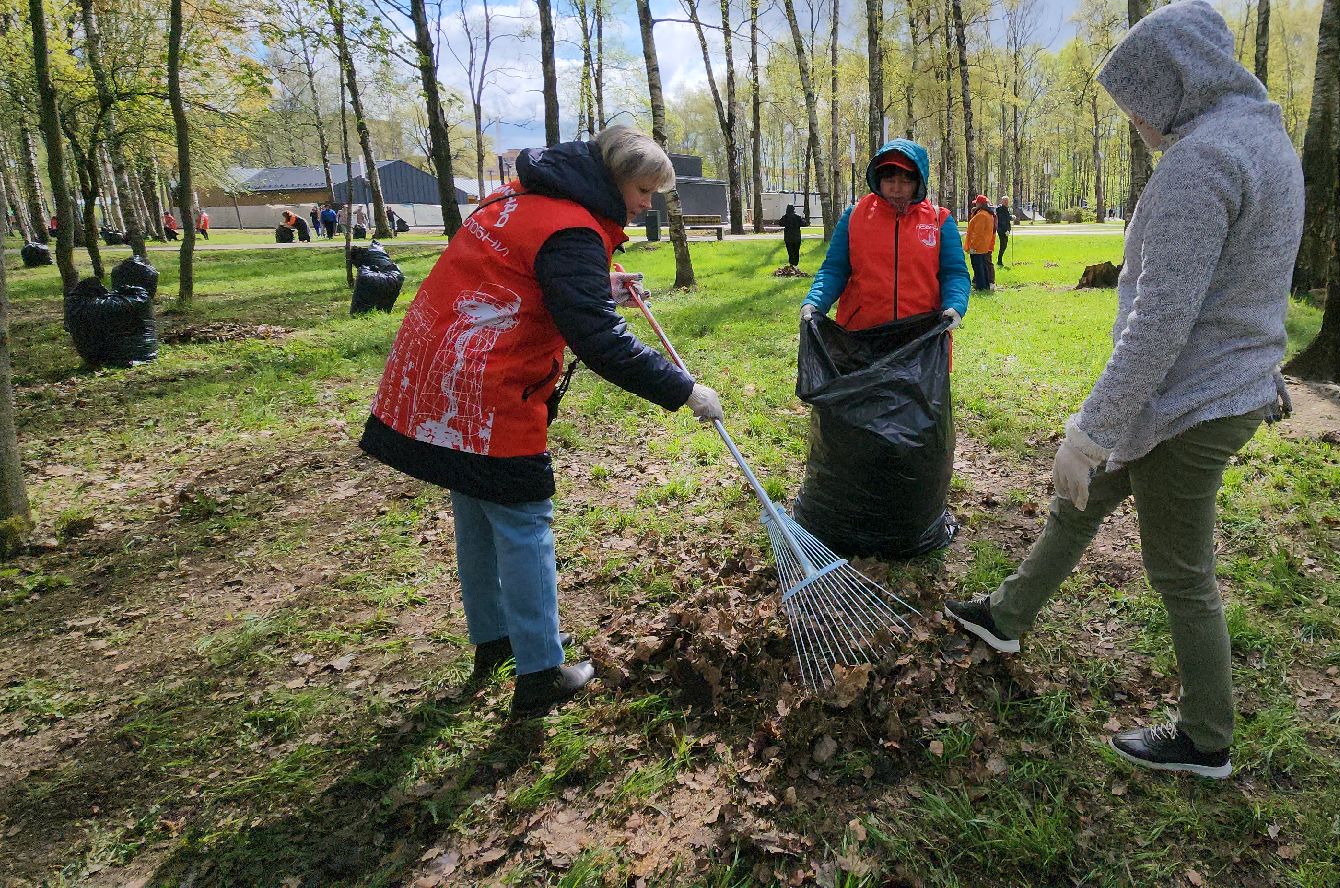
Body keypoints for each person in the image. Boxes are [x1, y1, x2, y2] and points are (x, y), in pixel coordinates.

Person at [944, 0, 1302, 781]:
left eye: (1136, 101)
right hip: (1199, 388)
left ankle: (1206, 737)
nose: (1134, 120)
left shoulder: (1204, 162)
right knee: (1077, 508)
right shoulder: (1267, 140)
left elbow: (1160, 319)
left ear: (1175, 82)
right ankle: (1005, 618)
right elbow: (1249, 282)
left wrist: (1088, 431)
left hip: (1189, 403)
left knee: (1180, 572)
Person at [361, 125, 724, 719]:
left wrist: (597, 286)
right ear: (610, 179)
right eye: (641, 189)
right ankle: (539, 672)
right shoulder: (573, 228)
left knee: (476, 509)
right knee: (524, 520)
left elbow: (514, 276)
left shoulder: (517, 198)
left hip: (438, 369)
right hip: (489, 383)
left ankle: (494, 640)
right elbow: (600, 340)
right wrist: (684, 390)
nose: (645, 204)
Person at [800, 138, 970, 332]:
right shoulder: (854, 217)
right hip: (861, 335)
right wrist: (814, 302)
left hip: (922, 334)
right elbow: (834, 269)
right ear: (878, 180)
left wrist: (955, 305)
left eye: (905, 181)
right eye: (889, 180)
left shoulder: (939, 220)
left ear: (918, 182)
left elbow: (954, 272)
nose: (896, 188)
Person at [965, 195, 997, 292]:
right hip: (984, 245)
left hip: (977, 246)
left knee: (978, 267)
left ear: (980, 204)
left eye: (977, 203)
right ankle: (984, 285)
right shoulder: (988, 214)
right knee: (983, 266)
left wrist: (972, 246)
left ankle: (980, 286)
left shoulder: (981, 215)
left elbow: (977, 233)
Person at [778, 203, 808, 270]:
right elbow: (804, 224)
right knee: (796, 251)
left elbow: (780, 223)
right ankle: (795, 264)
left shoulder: (785, 217)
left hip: (788, 238)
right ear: (793, 209)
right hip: (796, 238)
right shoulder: (797, 217)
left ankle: (791, 264)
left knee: (790, 252)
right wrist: (804, 219)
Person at [995, 197, 1013, 267]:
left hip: (1005, 230)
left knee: (1004, 245)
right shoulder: (1000, 209)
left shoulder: (1005, 208)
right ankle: (999, 261)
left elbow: (1006, 217)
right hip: (1002, 230)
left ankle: (999, 260)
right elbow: (1002, 220)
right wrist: (1006, 230)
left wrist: (1011, 217)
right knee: (1003, 245)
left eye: (1007, 201)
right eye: (1005, 201)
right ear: (1002, 201)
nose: (1006, 202)